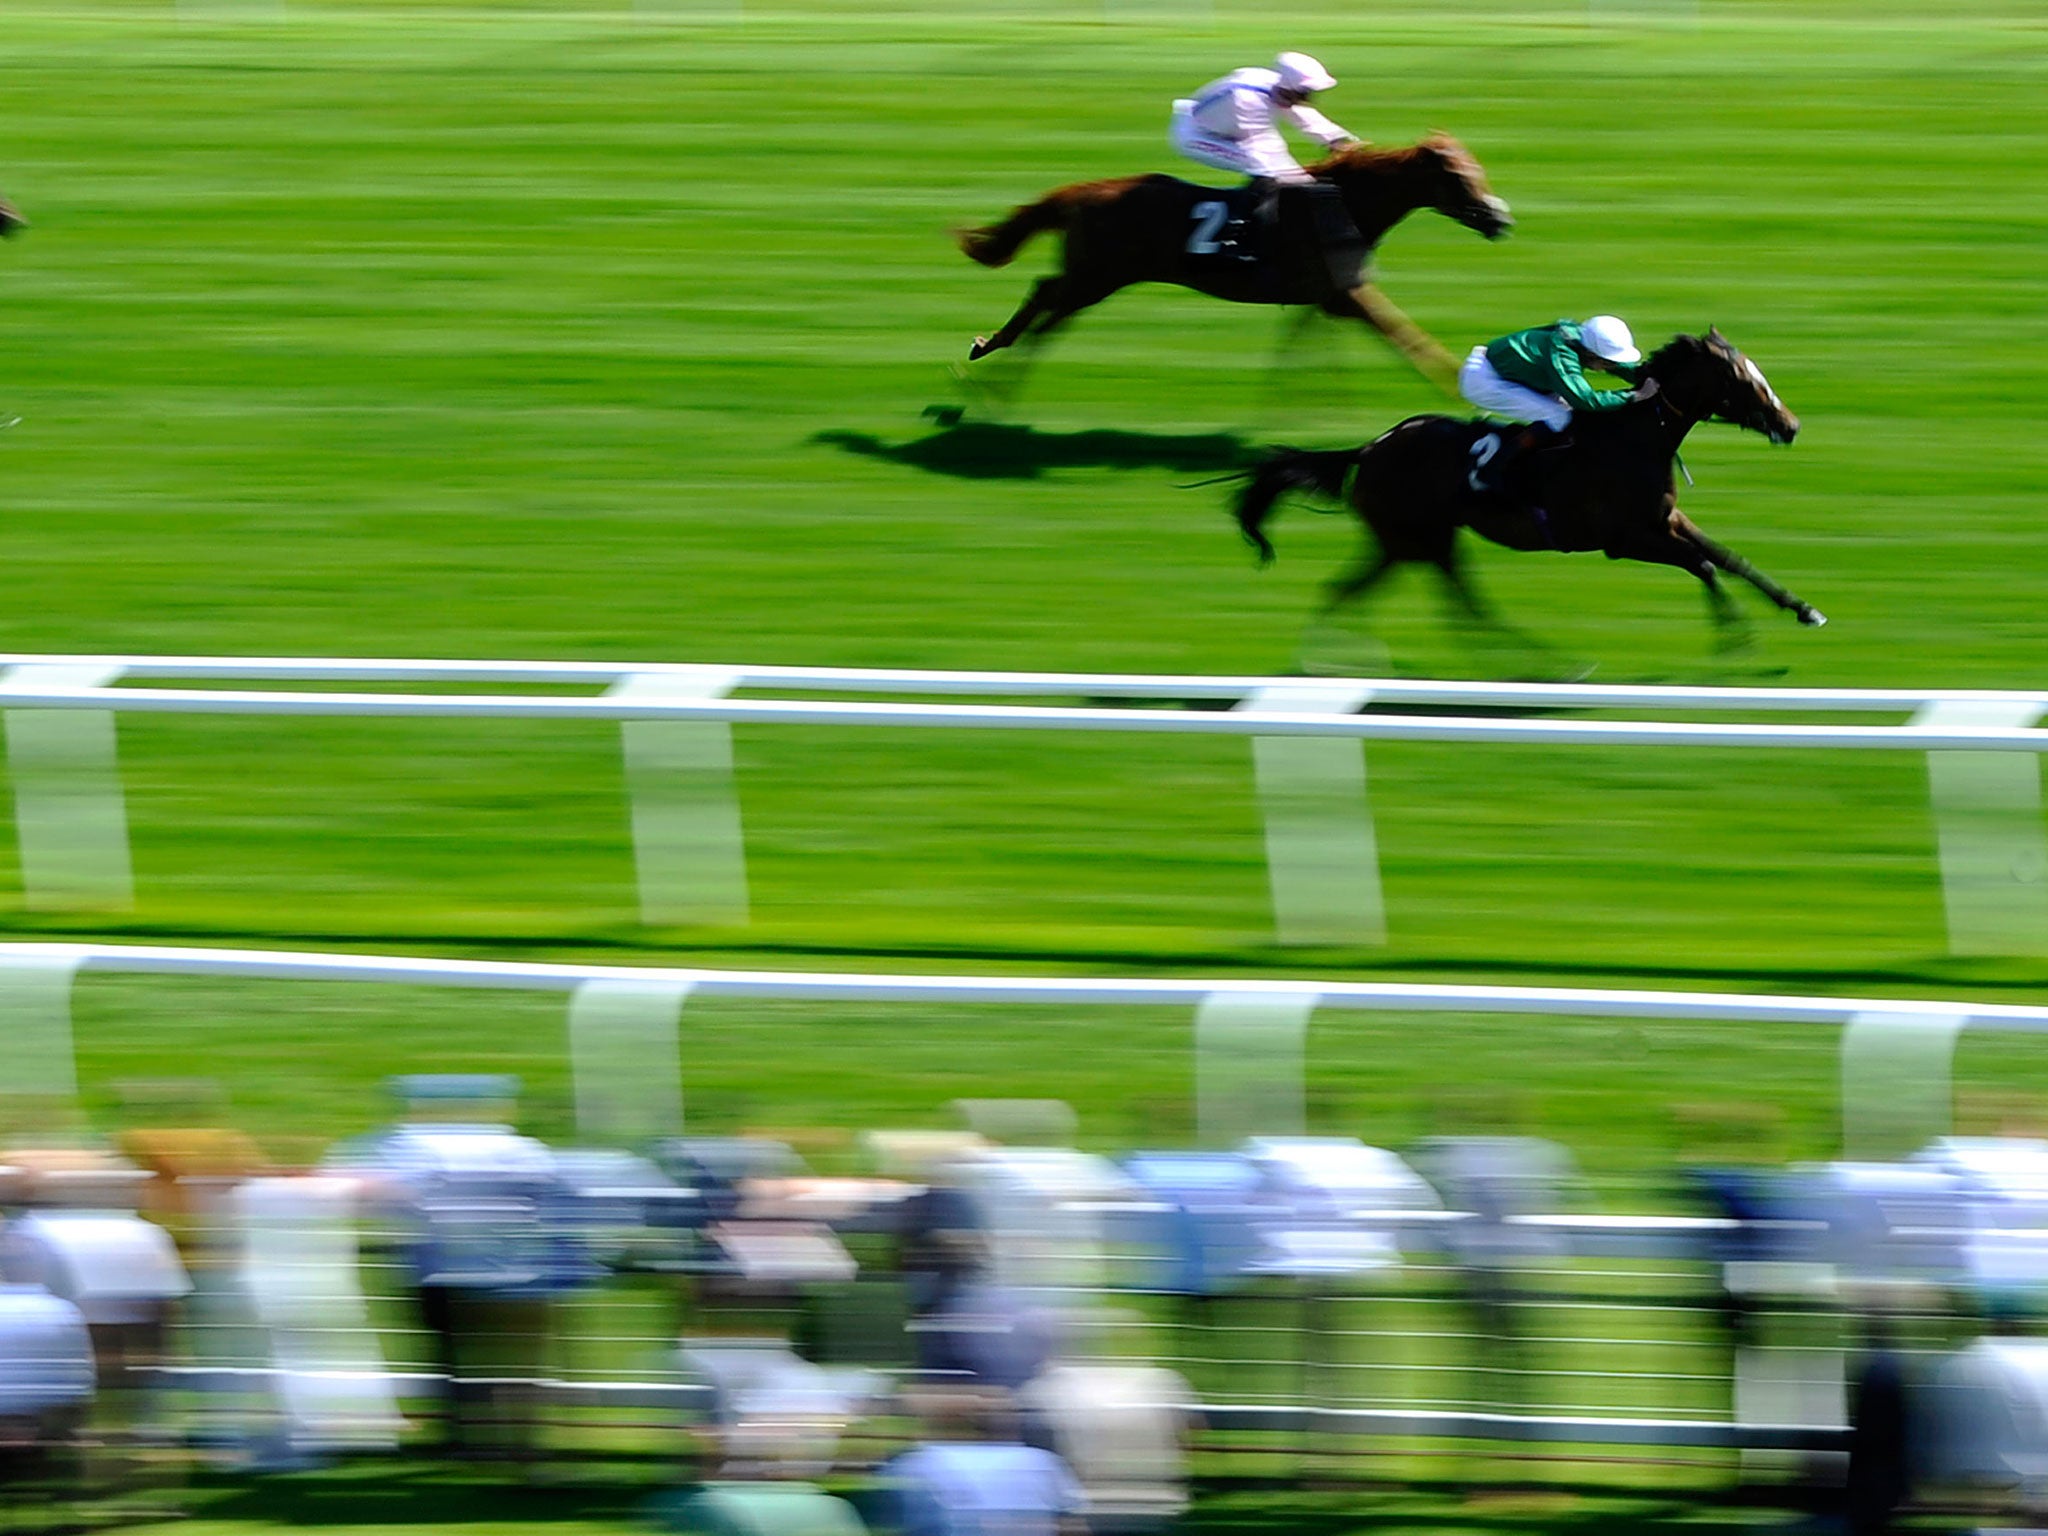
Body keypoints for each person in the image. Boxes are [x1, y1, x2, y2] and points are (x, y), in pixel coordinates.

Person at [1459, 315, 1659, 496]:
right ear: (1591, 355)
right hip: (1484, 381)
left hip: (1511, 375)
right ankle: (1490, 470)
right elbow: (1585, 400)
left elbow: (1615, 365)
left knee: (1566, 417)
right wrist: (1633, 396)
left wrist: (1645, 374)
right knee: (1559, 416)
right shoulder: (1562, 354)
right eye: (1607, 363)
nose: (1610, 367)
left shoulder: (1582, 340)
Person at [1169, 52, 1359, 189]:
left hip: (1227, 130)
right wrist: (1300, 180)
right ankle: (1237, 228)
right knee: (1265, 168)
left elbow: (1303, 115)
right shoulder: (1247, 99)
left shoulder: (1277, 84)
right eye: (1304, 93)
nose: (1307, 99)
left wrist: (1336, 140)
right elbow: (1261, 147)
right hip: (1197, 138)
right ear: (1288, 87)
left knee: (1281, 171)